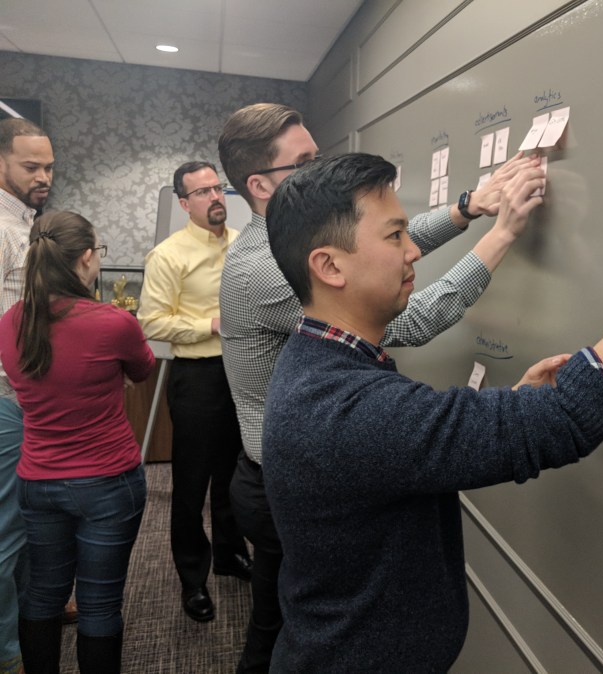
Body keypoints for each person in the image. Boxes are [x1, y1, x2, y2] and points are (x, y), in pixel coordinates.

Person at [261, 153, 603, 672]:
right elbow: (568, 417)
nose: (412, 252)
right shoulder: (341, 406)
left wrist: (514, 403)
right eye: (395, 235)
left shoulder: (319, 362)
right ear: (329, 266)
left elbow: (396, 454)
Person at [217, 102, 542, 672]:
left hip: (301, 473)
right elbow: (408, 319)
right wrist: (502, 234)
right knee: (285, 637)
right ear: (260, 184)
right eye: (305, 163)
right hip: (282, 484)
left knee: (292, 626)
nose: (322, 168)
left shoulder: (291, 243)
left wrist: (467, 208)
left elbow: (379, 243)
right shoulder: (261, 269)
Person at [0, 211, 155, 674]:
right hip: (107, 484)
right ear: (87, 258)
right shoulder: (112, 322)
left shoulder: (10, 322)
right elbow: (142, 371)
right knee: (99, 604)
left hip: (38, 483)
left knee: (42, 594)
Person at [137, 161, 251, 624]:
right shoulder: (168, 255)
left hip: (241, 372)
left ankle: (228, 554)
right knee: (191, 484)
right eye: (201, 192)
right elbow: (153, 323)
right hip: (197, 378)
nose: (214, 197)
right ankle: (192, 579)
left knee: (234, 474)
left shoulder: (246, 243)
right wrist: (212, 325)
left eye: (217, 188)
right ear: (184, 204)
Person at [0, 117, 54, 674]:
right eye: (30, 166)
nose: (43, 176)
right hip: (5, 398)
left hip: (27, 399)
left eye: (48, 166)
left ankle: (26, 618)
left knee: (26, 515)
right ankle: (8, 652)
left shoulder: (28, 223)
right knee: (5, 528)